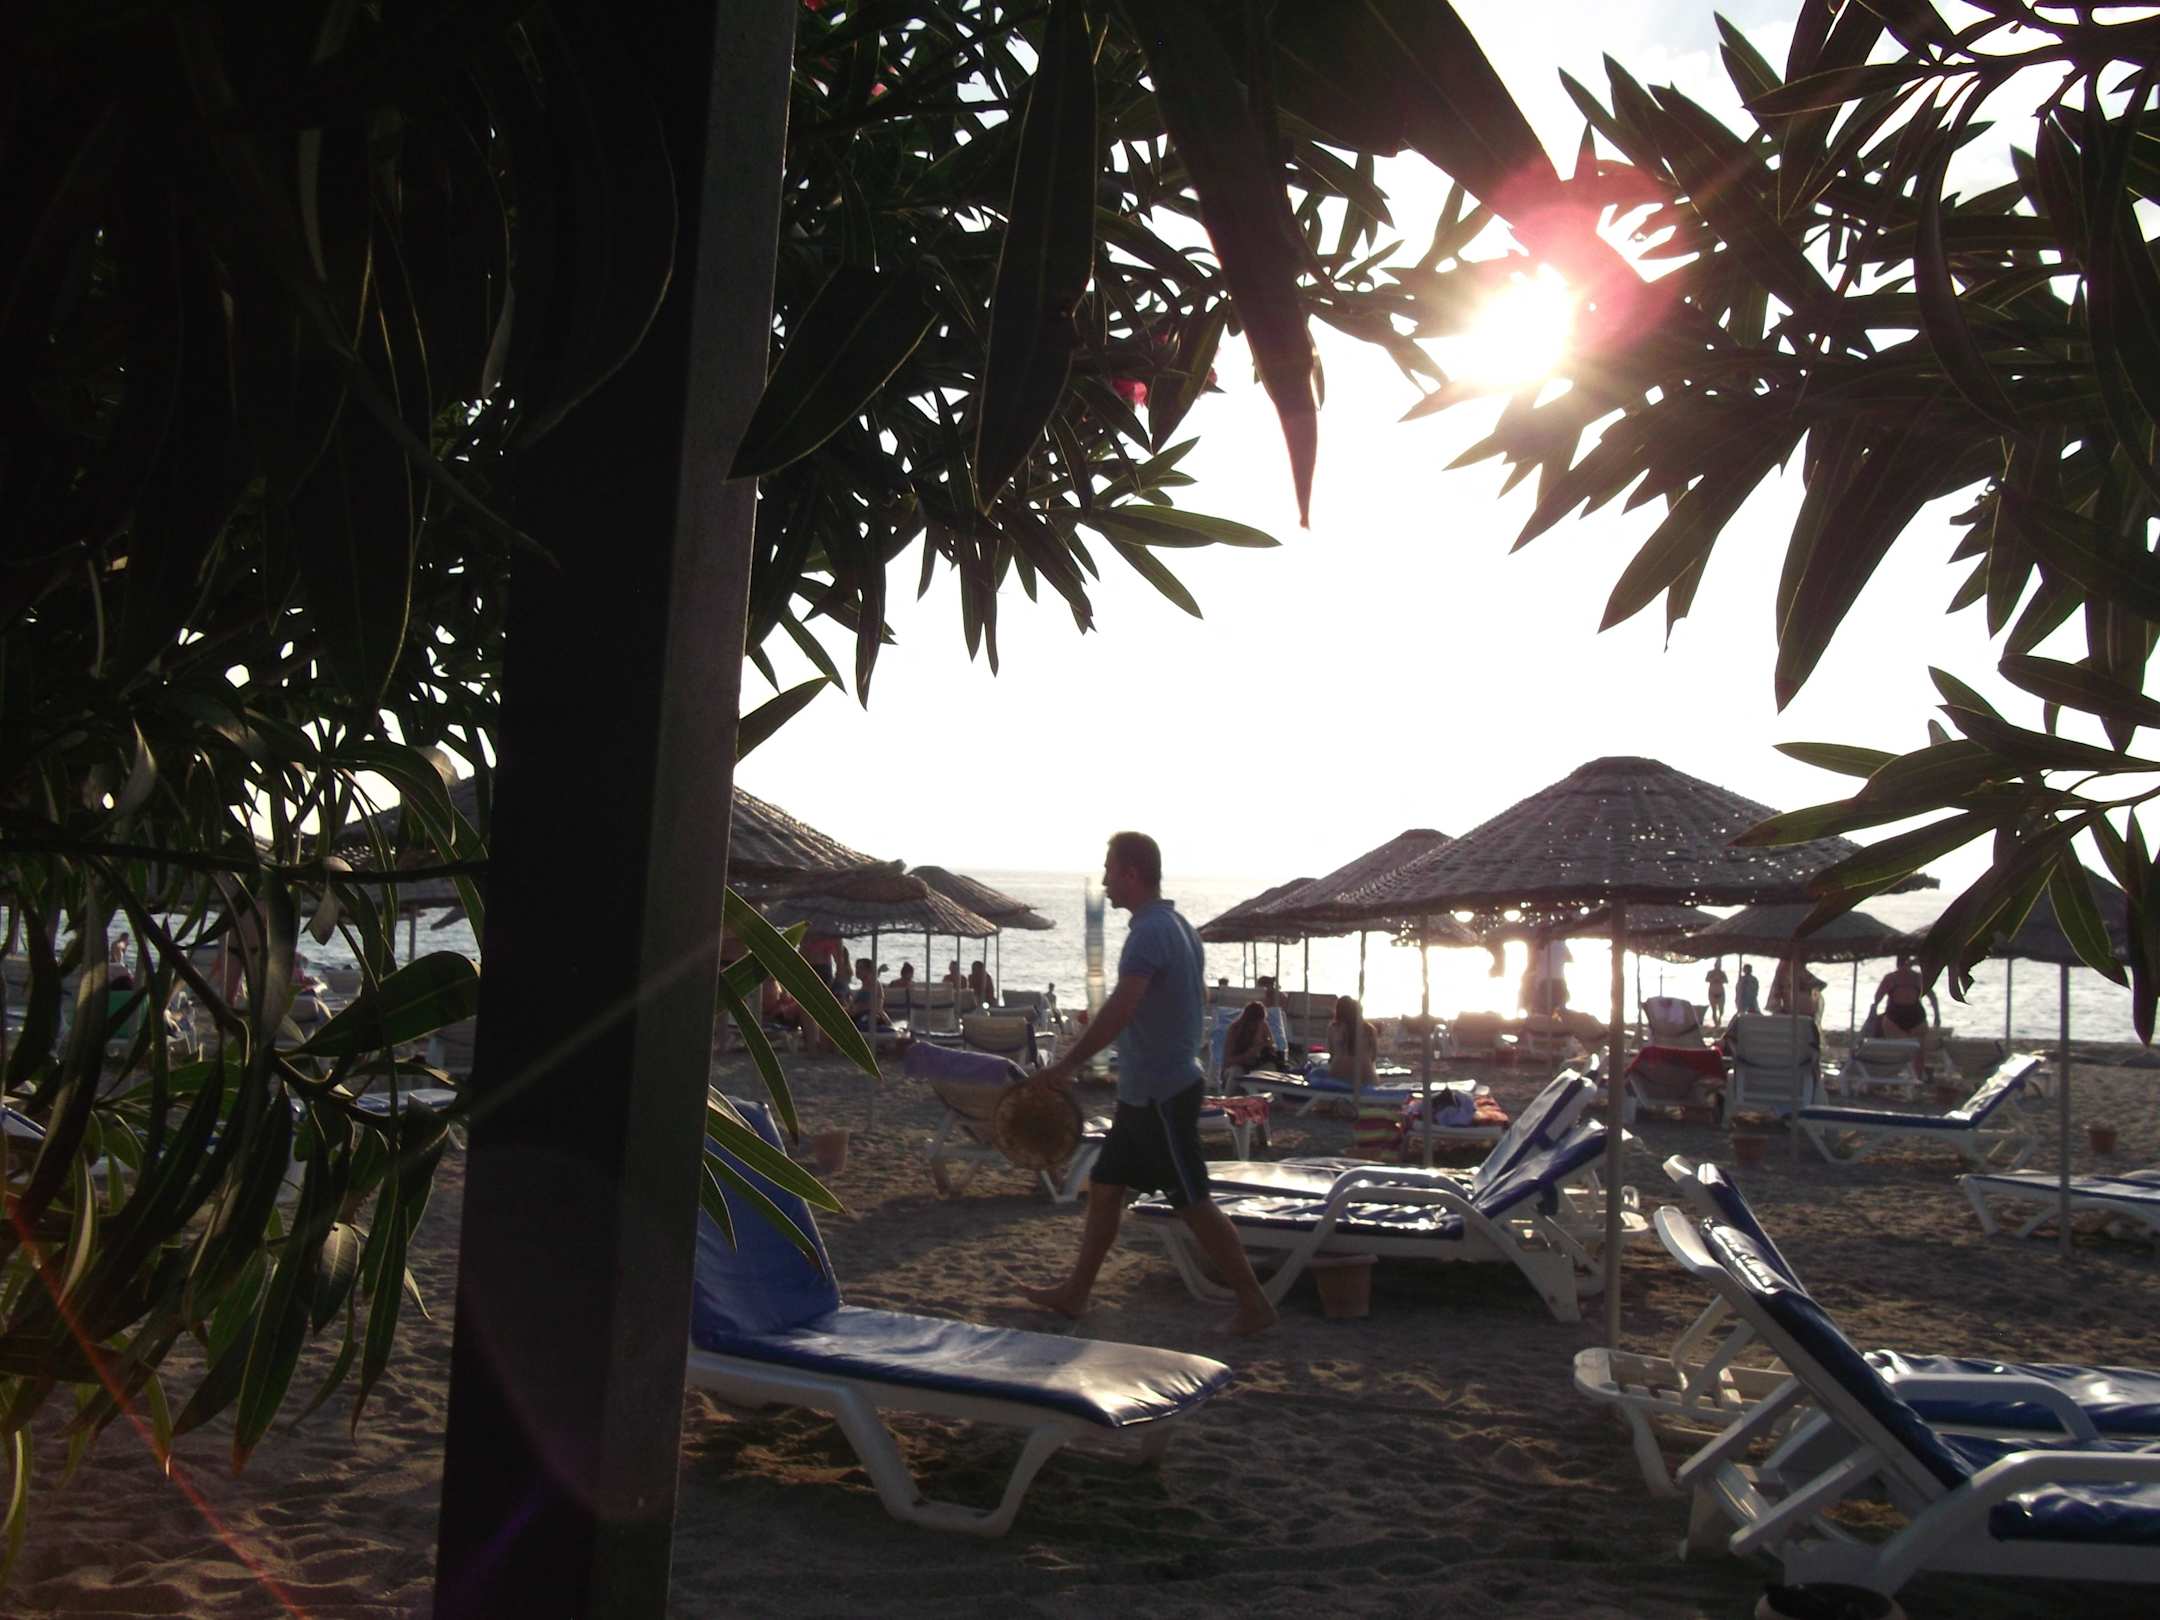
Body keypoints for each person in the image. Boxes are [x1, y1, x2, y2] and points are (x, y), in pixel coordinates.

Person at [1022, 832, 1276, 1335]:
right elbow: (1191, 1000)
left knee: (1193, 1200)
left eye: (1109, 869)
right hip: (1145, 1092)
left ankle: (1254, 1303)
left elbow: (1122, 1007)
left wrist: (1068, 1063)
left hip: (1162, 1093)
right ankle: (1076, 1292)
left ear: (1131, 873)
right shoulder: (1179, 927)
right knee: (1105, 1185)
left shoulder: (1149, 933)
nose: (1104, 880)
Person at [1325, 995, 1377, 1091]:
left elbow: (1331, 1053)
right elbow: (1374, 1056)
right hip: (1366, 1073)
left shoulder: (1334, 1028)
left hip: (1339, 1072)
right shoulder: (1369, 1029)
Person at [1220, 1000, 1281, 1082]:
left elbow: (1272, 1047)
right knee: (1236, 1072)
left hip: (1255, 1066)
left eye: (1260, 1022)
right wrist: (1247, 1055)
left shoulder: (1262, 1025)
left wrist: (1264, 1045)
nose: (1256, 1026)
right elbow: (1227, 1061)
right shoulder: (1234, 1029)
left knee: (1270, 1069)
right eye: (1254, 1023)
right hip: (1234, 1067)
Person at [1704, 958, 1729, 1025]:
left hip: (1720, 991)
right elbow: (1706, 980)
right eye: (1717, 964)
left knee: (1721, 1009)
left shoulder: (1722, 973)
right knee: (1714, 1009)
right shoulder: (1710, 972)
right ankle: (1716, 1023)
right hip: (1712, 992)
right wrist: (1713, 979)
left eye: (1719, 965)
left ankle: (1719, 1019)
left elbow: (1726, 981)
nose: (1718, 966)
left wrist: (1720, 980)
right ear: (1715, 965)